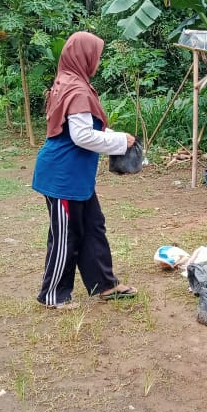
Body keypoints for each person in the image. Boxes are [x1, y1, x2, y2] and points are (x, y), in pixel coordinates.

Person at [32, 31, 138, 309]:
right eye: (97, 56)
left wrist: (117, 136)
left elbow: (85, 128)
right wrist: (118, 142)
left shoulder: (70, 80)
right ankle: (53, 295)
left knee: (93, 226)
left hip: (76, 176)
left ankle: (104, 285)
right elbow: (82, 137)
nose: (98, 62)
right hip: (62, 176)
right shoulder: (77, 89)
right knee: (66, 235)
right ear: (84, 56)